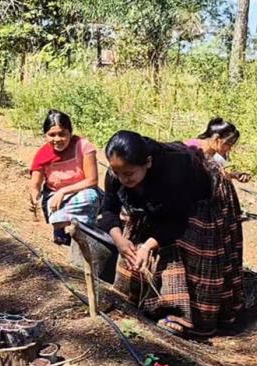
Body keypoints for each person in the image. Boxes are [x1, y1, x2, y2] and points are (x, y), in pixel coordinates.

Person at [98, 130, 244, 338]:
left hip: (198, 198)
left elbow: (175, 222)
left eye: (129, 174)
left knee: (182, 250)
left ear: (147, 163)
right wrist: (120, 240)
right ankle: (142, 299)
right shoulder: (118, 172)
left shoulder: (173, 171)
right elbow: (108, 209)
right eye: (117, 173)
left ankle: (180, 314)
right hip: (159, 202)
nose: (122, 179)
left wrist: (148, 246)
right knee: (135, 247)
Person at [28, 110, 101, 245]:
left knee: (90, 197)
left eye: (62, 134)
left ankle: (84, 231)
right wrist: (34, 197)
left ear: (70, 133)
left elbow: (92, 180)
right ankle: (61, 229)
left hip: (82, 190)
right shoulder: (42, 155)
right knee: (54, 206)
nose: (57, 139)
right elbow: (35, 184)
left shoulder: (83, 146)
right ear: (45, 135)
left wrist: (63, 191)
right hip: (54, 195)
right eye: (52, 135)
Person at [185, 117, 251, 183]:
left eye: (231, 145)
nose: (229, 148)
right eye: (228, 144)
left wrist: (235, 175)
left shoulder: (216, 157)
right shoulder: (192, 148)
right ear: (216, 138)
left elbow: (222, 173)